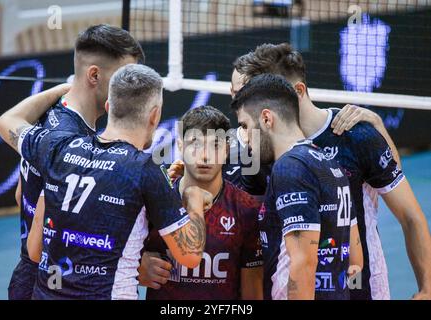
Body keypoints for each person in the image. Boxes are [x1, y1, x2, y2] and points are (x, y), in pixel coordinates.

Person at [232, 43, 431, 300]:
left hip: (360, 289)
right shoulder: (258, 145)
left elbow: (410, 216)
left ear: (297, 91)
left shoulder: (355, 134)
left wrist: (427, 288)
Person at [0, 63, 211, 300]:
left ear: (109, 107)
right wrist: (194, 200)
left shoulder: (58, 148)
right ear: (154, 115)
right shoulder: (146, 171)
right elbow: (190, 255)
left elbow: (35, 251)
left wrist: (61, 89)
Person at [8, 24, 145, 300]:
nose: (131, 89)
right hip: (52, 282)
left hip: (30, 274)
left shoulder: (49, 116)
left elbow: (21, 193)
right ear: (94, 74)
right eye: (125, 78)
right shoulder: (70, 141)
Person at [231, 73, 363, 300]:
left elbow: (303, 262)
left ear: (266, 119)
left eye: (245, 126)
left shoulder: (290, 168)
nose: (245, 139)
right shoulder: (329, 162)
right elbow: (355, 260)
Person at [139, 106, 263, 300]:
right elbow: (109, 251)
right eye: (195, 144)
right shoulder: (153, 199)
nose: (205, 156)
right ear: (180, 146)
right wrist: (137, 267)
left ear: (227, 149)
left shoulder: (247, 208)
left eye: (215, 145)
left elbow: (253, 292)